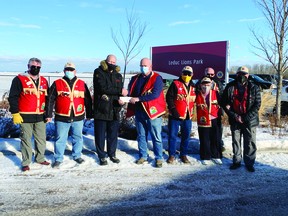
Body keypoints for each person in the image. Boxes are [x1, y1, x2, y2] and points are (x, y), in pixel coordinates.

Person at [46, 62, 93, 168]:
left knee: (78, 137)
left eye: (71, 70)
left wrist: (89, 113)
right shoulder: (57, 83)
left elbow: (88, 100)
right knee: (60, 139)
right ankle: (58, 158)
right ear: (64, 71)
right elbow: (50, 100)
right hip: (62, 116)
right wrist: (48, 114)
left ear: (75, 71)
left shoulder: (82, 83)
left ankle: (77, 156)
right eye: (67, 69)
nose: (69, 71)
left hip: (78, 116)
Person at [8, 57, 50, 171]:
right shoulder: (19, 79)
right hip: (25, 116)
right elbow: (13, 97)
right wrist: (15, 113)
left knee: (41, 139)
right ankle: (26, 161)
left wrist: (48, 113)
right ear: (28, 66)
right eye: (33, 67)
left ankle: (40, 158)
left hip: (40, 115)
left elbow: (48, 99)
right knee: (26, 139)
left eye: (38, 67)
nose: (35, 69)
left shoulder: (44, 81)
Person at [126, 57, 166, 168]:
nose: (143, 67)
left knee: (156, 136)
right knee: (141, 135)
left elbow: (155, 94)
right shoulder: (135, 78)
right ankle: (143, 155)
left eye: (145, 65)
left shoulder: (157, 78)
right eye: (141, 65)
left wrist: (138, 99)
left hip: (152, 112)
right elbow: (131, 92)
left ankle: (158, 158)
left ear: (150, 66)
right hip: (139, 111)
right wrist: (125, 94)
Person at [221, 66, 261, 172]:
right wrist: (234, 116)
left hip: (250, 120)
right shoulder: (230, 86)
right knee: (236, 142)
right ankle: (237, 161)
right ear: (236, 75)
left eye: (244, 74)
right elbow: (224, 103)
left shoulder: (254, 87)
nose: (242, 76)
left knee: (250, 142)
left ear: (248, 75)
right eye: (240, 74)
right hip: (235, 119)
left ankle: (249, 163)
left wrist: (245, 117)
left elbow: (257, 105)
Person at [93, 54, 128, 165]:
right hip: (102, 109)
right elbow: (103, 88)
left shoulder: (118, 76)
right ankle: (101, 155)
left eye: (114, 62)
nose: (112, 64)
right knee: (100, 134)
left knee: (113, 135)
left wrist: (121, 100)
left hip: (114, 109)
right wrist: (119, 91)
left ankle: (112, 154)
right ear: (106, 61)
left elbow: (120, 92)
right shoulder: (99, 72)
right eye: (110, 62)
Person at [165, 66, 196, 164]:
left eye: (189, 74)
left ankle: (183, 154)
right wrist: (173, 110)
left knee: (186, 136)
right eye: (185, 73)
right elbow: (169, 98)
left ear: (192, 75)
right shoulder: (175, 84)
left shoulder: (194, 86)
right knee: (172, 136)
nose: (186, 76)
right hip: (175, 115)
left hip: (188, 116)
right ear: (181, 73)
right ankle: (171, 155)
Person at [196, 76, 222, 165]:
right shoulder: (198, 93)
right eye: (204, 84)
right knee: (204, 138)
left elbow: (221, 103)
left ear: (211, 84)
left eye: (208, 84)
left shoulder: (215, 93)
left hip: (213, 118)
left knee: (215, 138)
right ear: (201, 85)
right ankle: (205, 156)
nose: (206, 86)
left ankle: (215, 156)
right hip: (203, 119)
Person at [204, 67, 226, 152]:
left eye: (212, 74)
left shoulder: (218, 83)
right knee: (206, 132)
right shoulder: (200, 83)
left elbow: (222, 96)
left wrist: (222, 109)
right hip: (205, 111)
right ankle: (207, 149)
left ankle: (218, 146)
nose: (210, 76)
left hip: (216, 111)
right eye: (208, 74)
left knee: (217, 130)